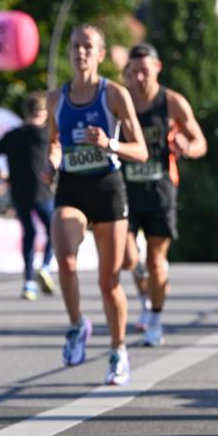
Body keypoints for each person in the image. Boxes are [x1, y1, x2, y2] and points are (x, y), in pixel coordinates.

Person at [47, 24, 147, 385]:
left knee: (108, 282)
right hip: (72, 186)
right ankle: (77, 326)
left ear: (101, 54)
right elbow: (54, 142)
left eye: (89, 46)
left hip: (107, 186)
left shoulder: (115, 94)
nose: (81, 52)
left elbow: (141, 150)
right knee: (67, 262)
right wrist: (51, 161)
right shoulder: (55, 98)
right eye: (76, 45)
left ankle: (119, 351)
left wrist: (110, 144)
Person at [120, 43, 208, 345]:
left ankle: (155, 318)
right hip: (125, 188)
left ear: (157, 68)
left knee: (157, 260)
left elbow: (200, 143)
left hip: (160, 190)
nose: (139, 78)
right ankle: (146, 290)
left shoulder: (172, 103)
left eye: (144, 71)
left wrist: (187, 146)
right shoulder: (120, 100)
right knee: (127, 257)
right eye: (133, 73)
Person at [0, 91, 55, 301]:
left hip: (19, 191)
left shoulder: (12, 135)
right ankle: (46, 266)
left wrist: (1, 175)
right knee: (54, 231)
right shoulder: (45, 134)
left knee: (29, 234)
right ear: (42, 112)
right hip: (42, 190)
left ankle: (29, 282)